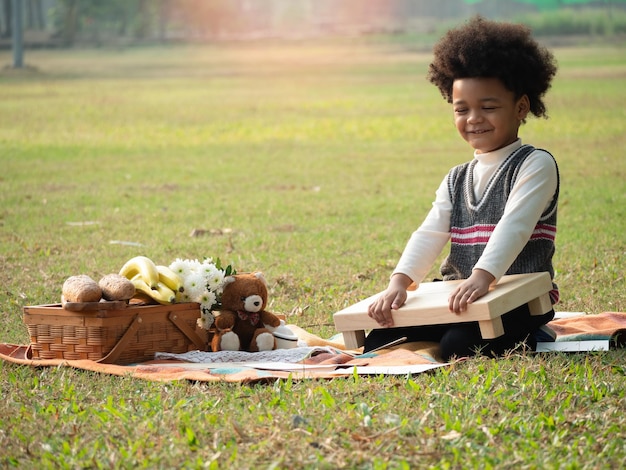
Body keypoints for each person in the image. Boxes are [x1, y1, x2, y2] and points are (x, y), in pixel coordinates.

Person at [365, 16, 559, 360]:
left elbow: (514, 226)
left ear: (521, 107)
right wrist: (399, 283)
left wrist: (483, 277)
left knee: (458, 346)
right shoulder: (456, 177)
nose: (473, 118)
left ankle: (534, 335)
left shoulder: (535, 164)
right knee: (379, 338)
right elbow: (429, 232)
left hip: (519, 300)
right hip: (459, 295)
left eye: (488, 107)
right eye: (462, 109)